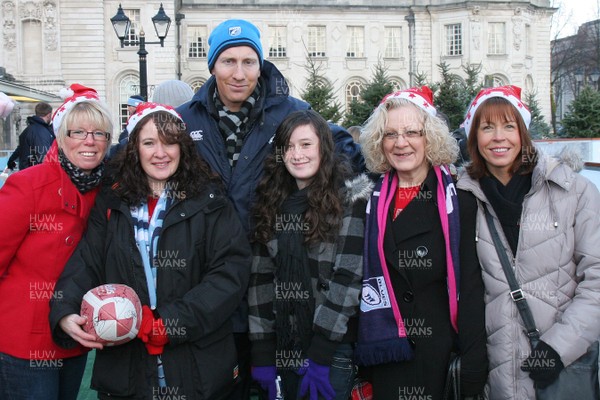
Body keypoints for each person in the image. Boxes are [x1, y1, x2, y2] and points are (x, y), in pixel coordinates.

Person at [176, 18, 364, 400]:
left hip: (271, 282)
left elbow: (338, 150)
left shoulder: (288, 112)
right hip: (208, 287)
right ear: (212, 65)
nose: (240, 73)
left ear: (260, 65)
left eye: (249, 61)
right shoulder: (185, 119)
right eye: (229, 61)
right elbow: (138, 157)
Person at [49, 102, 252, 399]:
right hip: (127, 369)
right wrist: (65, 310)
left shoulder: (210, 199)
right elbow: (87, 260)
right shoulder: (113, 201)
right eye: (149, 143)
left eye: (170, 142)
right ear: (134, 149)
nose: (160, 152)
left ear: (182, 148)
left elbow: (229, 273)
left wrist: (169, 324)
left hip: (198, 366)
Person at [457, 85, 600, 399]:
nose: (499, 137)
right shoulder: (464, 198)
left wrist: (558, 348)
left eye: (509, 126)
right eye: (487, 127)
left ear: (523, 132)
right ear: (473, 137)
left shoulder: (573, 191)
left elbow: (597, 280)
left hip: (563, 366)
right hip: (496, 375)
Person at [354, 87, 488, 400]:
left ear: (430, 137)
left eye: (412, 132)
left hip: (439, 355)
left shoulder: (460, 200)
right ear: (379, 142)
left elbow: (471, 289)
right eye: (390, 134)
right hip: (386, 352)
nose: (400, 143)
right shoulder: (365, 200)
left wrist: (473, 362)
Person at [248, 110, 371, 400]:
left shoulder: (349, 198)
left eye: (306, 144)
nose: (297, 154)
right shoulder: (272, 202)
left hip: (330, 348)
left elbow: (348, 277)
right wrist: (262, 350)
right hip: (283, 343)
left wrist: (321, 352)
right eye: (289, 146)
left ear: (323, 149)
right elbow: (260, 280)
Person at [0, 83, 113, 400]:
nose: (89, 141)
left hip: (73, 337)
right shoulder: (27, 185)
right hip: (23, 341)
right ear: (61, 137)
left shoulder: (107, 190)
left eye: (99, 133)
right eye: (78, 132)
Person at [6, 101, 54, 171]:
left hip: (26, 172)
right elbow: (43, 156)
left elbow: (20, 148)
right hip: (36, 174)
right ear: (49, 115)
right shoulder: (42, 132)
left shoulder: (27, 130)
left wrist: (11, 161)